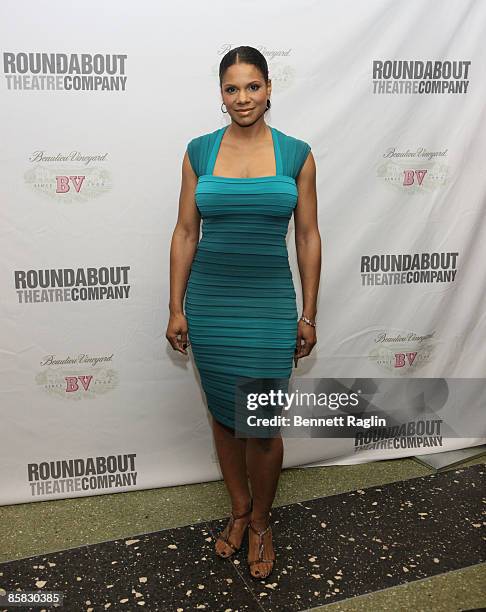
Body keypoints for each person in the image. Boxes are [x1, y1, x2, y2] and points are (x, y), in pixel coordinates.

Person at [166, 46, 321, 580]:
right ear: (221, 95)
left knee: (261, 425)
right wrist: (175, 307)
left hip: (269, 306)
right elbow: (186, 231)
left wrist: (310, 313)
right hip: (210, 306)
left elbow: (308, 235)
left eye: (252, 87)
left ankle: (261, 521)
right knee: (225, 419)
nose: (243, 98)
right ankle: (237, 509)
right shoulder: (199, 151)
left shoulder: (297, 153)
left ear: (269, 88)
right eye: (232, 89)